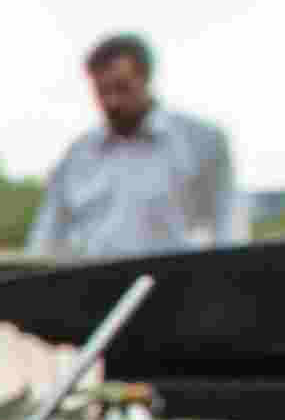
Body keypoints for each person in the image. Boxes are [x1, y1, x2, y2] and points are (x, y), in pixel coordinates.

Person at [27, 33, 245, 260]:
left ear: (145, 78)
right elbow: (45, 236)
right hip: (91, 285)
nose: (112, 101)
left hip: (174, 286)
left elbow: (227, 224)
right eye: (102, 91)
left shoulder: (202, 141)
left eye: (122, 88)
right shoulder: (77, 155)